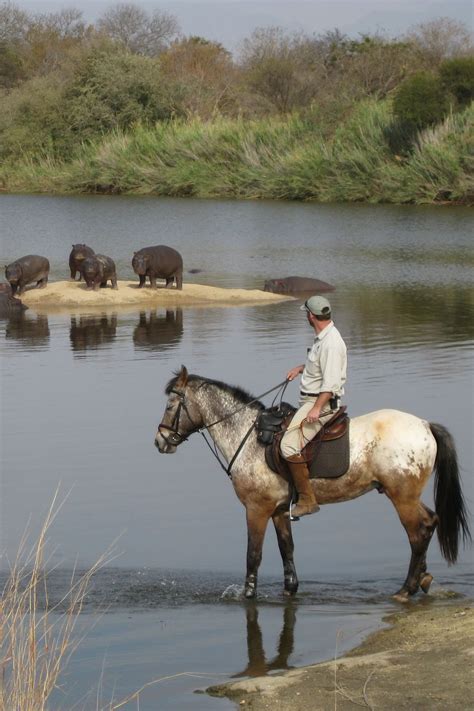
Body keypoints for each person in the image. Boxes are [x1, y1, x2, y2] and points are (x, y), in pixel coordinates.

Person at [280, 295, 347, 518]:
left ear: (311, 315)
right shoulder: (323, 338)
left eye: (305, 314)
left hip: (322, 403)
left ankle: (307, 500)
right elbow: (321, 366)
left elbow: (330, 384)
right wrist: (302, 368)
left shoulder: (331, 344)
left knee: (288, 446)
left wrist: (316, 408)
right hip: (313, 399)